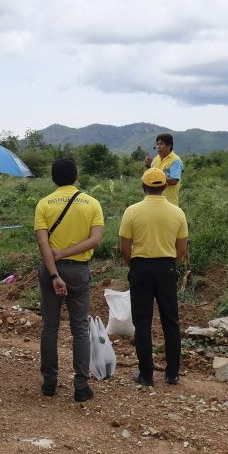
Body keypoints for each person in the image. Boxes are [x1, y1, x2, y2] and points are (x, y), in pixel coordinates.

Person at [34, 158, 104, 402]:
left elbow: (43, 243)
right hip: (79, 272)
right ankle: (81, 386)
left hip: (50, 271)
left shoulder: (44, 204)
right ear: (76, 176)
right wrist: (67, 253)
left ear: (53, 178)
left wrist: (54, 274)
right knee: (80, 329)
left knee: (50, 328)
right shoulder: (92, 203)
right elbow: (95, 240)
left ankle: (50, 383)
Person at [119, 167, 188, 386]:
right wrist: (170, 265)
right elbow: (182, 248)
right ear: (165, 186)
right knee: (171, 321)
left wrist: (135, 265)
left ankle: (146, 374)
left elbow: (124, 247)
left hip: (140, 268)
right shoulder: (177, 212)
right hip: (166, 268)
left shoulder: (132, 211)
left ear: (143, 186)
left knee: (142, 322)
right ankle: (172, 373)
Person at [143, 133, 183, 206]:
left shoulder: (175, 160)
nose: (158, 147)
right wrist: (148, 166)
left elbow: (174, 180)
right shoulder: (155, 159)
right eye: (157, 144)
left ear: (169, 145)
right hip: (154, 201)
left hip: (169, 202)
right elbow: (149, 177)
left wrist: (157, 177)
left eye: (161, 144)